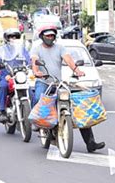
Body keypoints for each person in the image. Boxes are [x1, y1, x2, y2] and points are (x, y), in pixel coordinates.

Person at [30, 25, 105, 153]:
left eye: (52, 35)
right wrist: (36, 71)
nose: (50, 37)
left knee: (79, 108)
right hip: (43, 81)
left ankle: (90, 143)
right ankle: (38, 122)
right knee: (38, 97)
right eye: (47, 35)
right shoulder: (36, 49)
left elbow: (68, 59)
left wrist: (77, 70)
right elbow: (34, 62)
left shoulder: (60, 47)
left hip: (58, 82)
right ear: (42, 36)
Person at [0, 28, 31, 123]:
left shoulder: (22, 49)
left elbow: (28, 59)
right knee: (3, 86)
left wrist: (32, 64)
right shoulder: (2, 49)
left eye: (15, 37)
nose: (13, 39)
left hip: (20, 75)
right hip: (6, 74)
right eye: (11, 37)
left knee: (31, 90)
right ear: (7, 38)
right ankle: (2, 111)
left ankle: (34, 112)